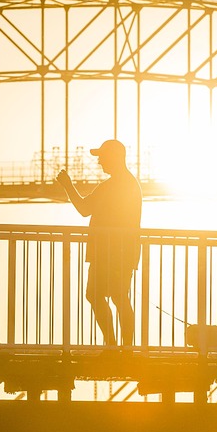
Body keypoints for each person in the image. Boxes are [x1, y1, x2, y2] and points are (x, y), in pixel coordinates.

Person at [57, 139, 142, 351]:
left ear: (114, 157)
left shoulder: (116, 185)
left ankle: (118, 347)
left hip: (112, 252)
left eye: (102, 157)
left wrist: (68, 186)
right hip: (115, 252)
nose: (99, 162)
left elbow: (85, 208)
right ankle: (119, 347)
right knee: (114, 296)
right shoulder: (126, 183)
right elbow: (87, 209)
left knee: (110, 296)